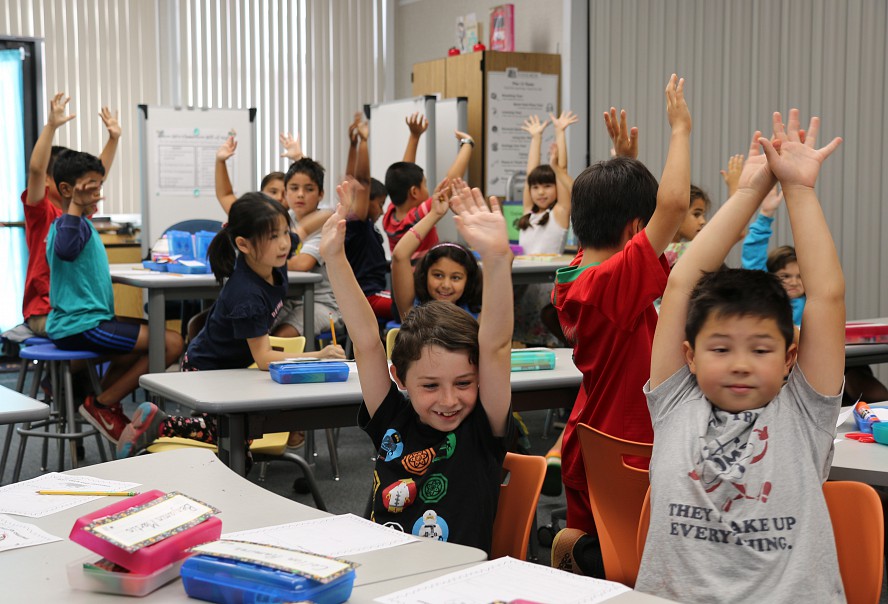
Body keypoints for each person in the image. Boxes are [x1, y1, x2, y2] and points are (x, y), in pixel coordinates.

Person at [636, 111, 845, 602]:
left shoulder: (804, 412)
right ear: (688, 356)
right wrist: (748, 194)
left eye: (761, 349)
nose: (740, 363)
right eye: (721, 348)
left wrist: (799, 190)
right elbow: (683, 279)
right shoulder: (675, 403)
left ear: (791, 357)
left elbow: (826, 297)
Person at [320, 179, 514, 554]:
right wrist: (335, 259)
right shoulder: (392, 418)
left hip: (456, 582)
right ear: (399, 377)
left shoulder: (482, 426)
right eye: (429, 386)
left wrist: (495, 259)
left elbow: (496, 347)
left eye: (464, 382)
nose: (449, 399)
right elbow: (366, 340)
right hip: (387, 575)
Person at [550, 74, 692, 575]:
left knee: (604, 556)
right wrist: (680, 129)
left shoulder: (577, 276)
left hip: (593, 436)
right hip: (627, 445)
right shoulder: (610, 283)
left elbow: (638, 219)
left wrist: (623, 161)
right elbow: (673, 206)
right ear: (636, 231)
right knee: (630, 561)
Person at [116, 194, 343, 459]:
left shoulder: (272, 257)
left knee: (242, 437)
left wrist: (337, 212)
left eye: (283, 232)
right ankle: (161, 425)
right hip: (205, 370)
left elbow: (302, 229)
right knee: (231, 438)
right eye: (273, 236)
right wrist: (317, 356)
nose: (284, 243)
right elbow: (264, 358)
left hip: (233, 370)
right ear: (244, 245)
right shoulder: (247, 294)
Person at [45, 150, 183, 444]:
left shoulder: (78, 223)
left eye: (98, 186)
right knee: (171, 343)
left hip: (84, 322)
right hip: (81, 325)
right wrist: (76, 207)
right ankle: (103, 405)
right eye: (89, 187)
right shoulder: (69, 225)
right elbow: (66, 250)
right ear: (67, 191)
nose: (96, 193)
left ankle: (101, 403)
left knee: (143, 344)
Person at [22, 93, 121, 338]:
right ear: (49, 178)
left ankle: (68, 377)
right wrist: (51, 126)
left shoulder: (77, 210)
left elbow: (97, 176)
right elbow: (36, 169)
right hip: (47, 313)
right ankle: (59, 376)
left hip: (75, 311)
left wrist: (113, 139)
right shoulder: (42, 212)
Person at [513, 111, 578, 348]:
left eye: (547, 186)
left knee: (547, 339)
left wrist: (560, 132)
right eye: (536, 187)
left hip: (546, 284)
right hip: (522, 283)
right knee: (520, 337)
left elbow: (561, 168)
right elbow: (530, 173)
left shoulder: (559, 213)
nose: (541, 191)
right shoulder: (528, 213)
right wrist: (536, 137)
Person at [382, 115, 474, 258]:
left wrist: (414, 137)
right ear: (414, 192)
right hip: (421, 279)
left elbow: (404, 175)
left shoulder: (390, 217)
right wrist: (467, 144)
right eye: (424, 184)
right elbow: (450, 183)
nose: (427, 188)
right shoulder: (417, 216)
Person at [390, 178, 482, 322]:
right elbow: (399, 255)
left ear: (468, 281)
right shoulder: (412, 313)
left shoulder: (477, 316)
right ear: (425, 275)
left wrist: (468, 219)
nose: (445, 285)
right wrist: (435, 214)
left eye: (456, 277)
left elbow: (499, 259)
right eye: (438, 275)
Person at [271, 157, 339, 338]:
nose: (300, 194)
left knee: (279, 337)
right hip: (289, 298)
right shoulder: (283, 218)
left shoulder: (325, 222)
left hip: (322, 303)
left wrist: (268, 260)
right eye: (294, 188)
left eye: (309, 189)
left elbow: (303, 264)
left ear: (321, 194)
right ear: (285, 193)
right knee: (257, 331)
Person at [342, 112, 393, 320]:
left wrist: (353, 146)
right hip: (367, 297)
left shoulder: (364, 225)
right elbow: (359, 181)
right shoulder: (357, 223)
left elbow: (350, 179)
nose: (382, 210)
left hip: (371, 294)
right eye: (379, 204)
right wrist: (363, 142)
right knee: (414, 308)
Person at [214, 133, 285, 208]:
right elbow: (225, 195)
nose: (279, 198)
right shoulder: (252, 217)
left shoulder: (294, 217)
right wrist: (220, 161)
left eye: (285, 194)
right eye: (273, 192)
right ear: (261, 194)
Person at [663, 184, 710, 268]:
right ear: (677, 213)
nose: (703, 221)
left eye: (703, 215)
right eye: (696, 214)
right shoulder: (666, 252)